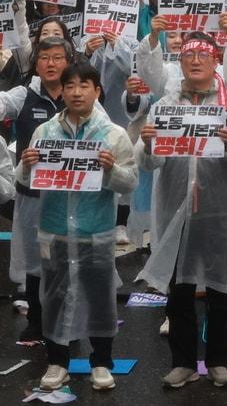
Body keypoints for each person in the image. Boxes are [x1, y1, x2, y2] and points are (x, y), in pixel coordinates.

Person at [134, 32, 227, 389]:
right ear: (181, 61)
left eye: (204, 55)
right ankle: (183, 362)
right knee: (180, 289)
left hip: (221, 210)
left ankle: (219, 361)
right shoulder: (165, 105)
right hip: (176, 210)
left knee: (221, 289)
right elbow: (151, 162)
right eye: (189, 55)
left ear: (216, 59)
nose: (196, 61)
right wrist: (146, 144)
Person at [18, 63, 137, 392]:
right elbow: (24, 179)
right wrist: (26, 167)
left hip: (95, 231)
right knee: (53, 298)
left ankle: (101, 362)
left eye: (84, 86)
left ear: (97, 91)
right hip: (54, 229)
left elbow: (130, 183)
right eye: (70, 86)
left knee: (99, 298)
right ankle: (58, 362)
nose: (76, 92)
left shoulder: (113, 134)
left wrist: (112, 170)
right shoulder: (45, 133)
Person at [0, 37, 73, 344]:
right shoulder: (24, 94)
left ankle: (66, 319)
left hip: (72, 194)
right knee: (34, 261)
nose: (51, 64)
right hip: (32, 193)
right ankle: (36, 319)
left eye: (57, 58)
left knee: (66, 260)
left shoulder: (77, 93)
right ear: (36, 63)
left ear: (68, 61)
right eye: (44, 58)